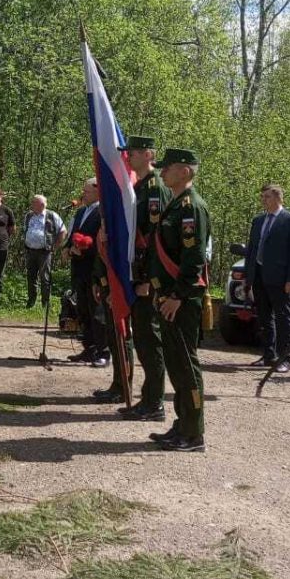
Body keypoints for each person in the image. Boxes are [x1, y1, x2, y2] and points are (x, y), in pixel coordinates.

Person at [147, 148, 210, 452]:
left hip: (181, 300)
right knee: (175, 364)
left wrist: (177, 295)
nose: (162, 172)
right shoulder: (175, 204)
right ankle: (182, 423)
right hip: (169, 298)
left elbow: (194, 258)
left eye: (167, 168)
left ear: (184, 171)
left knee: (186, 366)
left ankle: (194, 432)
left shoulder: (191, 206)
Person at [115, 136, 171, 419]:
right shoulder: (138, 187)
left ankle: (155, 402)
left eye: (133, 153)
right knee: (143, 339)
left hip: (147, 279)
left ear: (148, 154)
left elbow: (155, 240)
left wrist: (148, 279)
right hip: (136, 273)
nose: (129, 157)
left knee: (150, 338)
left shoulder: (155, 189)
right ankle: (149, 399)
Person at [244, 184, 290, 373]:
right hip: (259, 275)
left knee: (283, 317)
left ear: (278, 198)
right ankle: (269, 355)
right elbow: (252, 250)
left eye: (267, 197)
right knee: (264, 317)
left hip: (280, 278)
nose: (263, 200)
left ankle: (285, 357)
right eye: (262, 197)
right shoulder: (258, 220)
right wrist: (248, 276)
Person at [64, 178, 107, 367]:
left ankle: (103, 351)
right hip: (79, 268)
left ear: (98, 192)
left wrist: (84, 250)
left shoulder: (103, 212)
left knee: (97, 311)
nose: (83, 195)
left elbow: (102, 241)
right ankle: (88, 348)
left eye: (87, 192)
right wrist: (67, 248)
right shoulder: (81, 211)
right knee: (82, 309)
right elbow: (73, 233)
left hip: (94, 267)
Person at [21, 195, 65, 309]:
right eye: (32, 203)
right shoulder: (29, 216)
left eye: (34, 203)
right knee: (31, 276)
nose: (32, 205)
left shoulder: (52, 215)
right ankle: (31, 302)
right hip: (30, 251)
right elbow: (25, 229)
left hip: (45, 252)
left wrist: (55, 246)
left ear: (42, 205)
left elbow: (62, 231)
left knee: (45, 277)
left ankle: (46, 304)